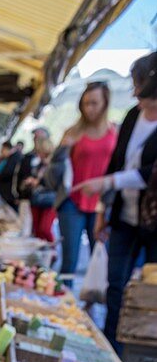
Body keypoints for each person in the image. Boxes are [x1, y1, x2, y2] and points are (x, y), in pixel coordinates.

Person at [75, 52, 157, 348]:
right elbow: (117, 163)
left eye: (138, 83)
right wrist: (102, 209)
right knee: (115, 283)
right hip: (123, 214)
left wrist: (108, 182)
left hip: (153, 221)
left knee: (149, 290)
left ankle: (140, 349)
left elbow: (150, 174)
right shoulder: (134, 116)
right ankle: (110, 346)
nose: (134, 90)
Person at [55, 81, 117, 283]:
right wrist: (63, 148)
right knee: (70, 258)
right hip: (72, 201)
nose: (89, 108)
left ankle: (92, 301)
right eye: (85, 103)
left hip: (101, 204)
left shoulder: (114, 133)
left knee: (98, 256)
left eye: (94, 103)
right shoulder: (72, 132)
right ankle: (63, 306)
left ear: (105, 103)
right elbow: (54, 168)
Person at [16, 129, 57, 242]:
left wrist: (37, 181)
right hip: (36, 199)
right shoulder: (38, 163)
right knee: (37, 230)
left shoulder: (55, 163)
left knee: (45, 229)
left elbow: (55, 182)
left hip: (49, 200)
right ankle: (42, 254)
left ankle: (52, 251)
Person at [0, 141, 23, 210]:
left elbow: (8, 172)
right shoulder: (12, 157)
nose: (1, 152)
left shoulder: (15, 157)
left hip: (10, 196)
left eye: (2, 150)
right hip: (8, 194)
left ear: (6, 148)